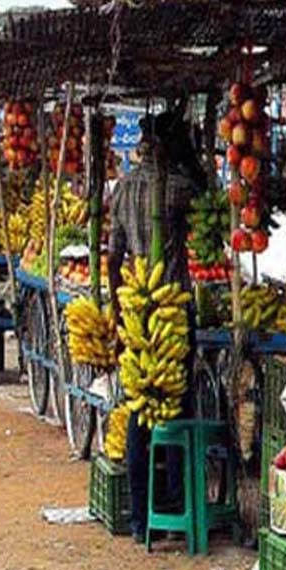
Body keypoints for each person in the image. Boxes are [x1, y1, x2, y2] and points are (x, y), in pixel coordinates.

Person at [108, 111, 201, 543]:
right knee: (178, 408)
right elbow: (208, 196)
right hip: (171, 309)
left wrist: (116, 303)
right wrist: (190, 155)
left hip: (138, 312)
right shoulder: (178, 188)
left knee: (140, 411)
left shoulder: (123, 189)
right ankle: (175, 503)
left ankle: (140, 518)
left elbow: (113, 256)